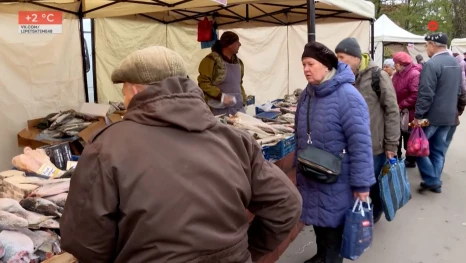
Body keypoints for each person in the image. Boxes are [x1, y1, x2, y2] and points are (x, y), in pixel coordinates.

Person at [60, 46, 303, 263]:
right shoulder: (235, 140)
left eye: (123, 92)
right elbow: (287, 204)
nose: (124, 100)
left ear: (134, 90)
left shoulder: (106, 147)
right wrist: (247, 251)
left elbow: (85, 244)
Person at [295, 41, 375, 263]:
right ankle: (323, 255)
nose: (306, 69)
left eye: (310, 63)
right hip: (312, 176)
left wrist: (361, 185)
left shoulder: (348, 97)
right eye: (303, 64)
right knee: (320, 225)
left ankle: (329, 258)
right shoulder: (307, 95)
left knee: (333, 231)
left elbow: (360, 144)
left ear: (326, 65)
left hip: (337, 180)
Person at [335, 38, 400, 223]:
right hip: (350, 145)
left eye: (342, 57)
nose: (338, 61)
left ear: (355, 57)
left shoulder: (378, 76)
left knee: (373, 185)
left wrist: (391, 144)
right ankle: (358, 213)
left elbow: (392, 110)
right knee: (355, 182)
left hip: (375, 145)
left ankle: (374, 214)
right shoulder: (342, 77)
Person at [414, 33, 463, 194]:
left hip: (431, 116)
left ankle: (432, 180)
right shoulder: (455, 63)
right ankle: (435, 181)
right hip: (449, 115)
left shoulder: (432, 64)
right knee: (438, 150)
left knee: (417, 148)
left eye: (426, 45)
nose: (426, 48)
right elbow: (459, 90)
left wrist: (418, 115)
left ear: (433, 45)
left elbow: (426, 93)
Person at [198, 31, 247, 115]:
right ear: (229, 44)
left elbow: (239, 83)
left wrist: (243, 99)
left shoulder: (239, 63)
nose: (240, 44)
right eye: (237, 42)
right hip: (218, 111)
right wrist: (220, 96)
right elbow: (203, 82)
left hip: (238, 110)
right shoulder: (211, 60)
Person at [392, 52, 420, 168]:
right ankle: (397, 155)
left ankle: (410, 160)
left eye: (395, 63)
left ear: (401, 64)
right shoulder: (397, 74)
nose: (394, 65)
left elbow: (415, 94)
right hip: (398, 109)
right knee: (396, 133)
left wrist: (402, 104)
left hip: (409, 111)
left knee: (409, 135)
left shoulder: (414, 74)